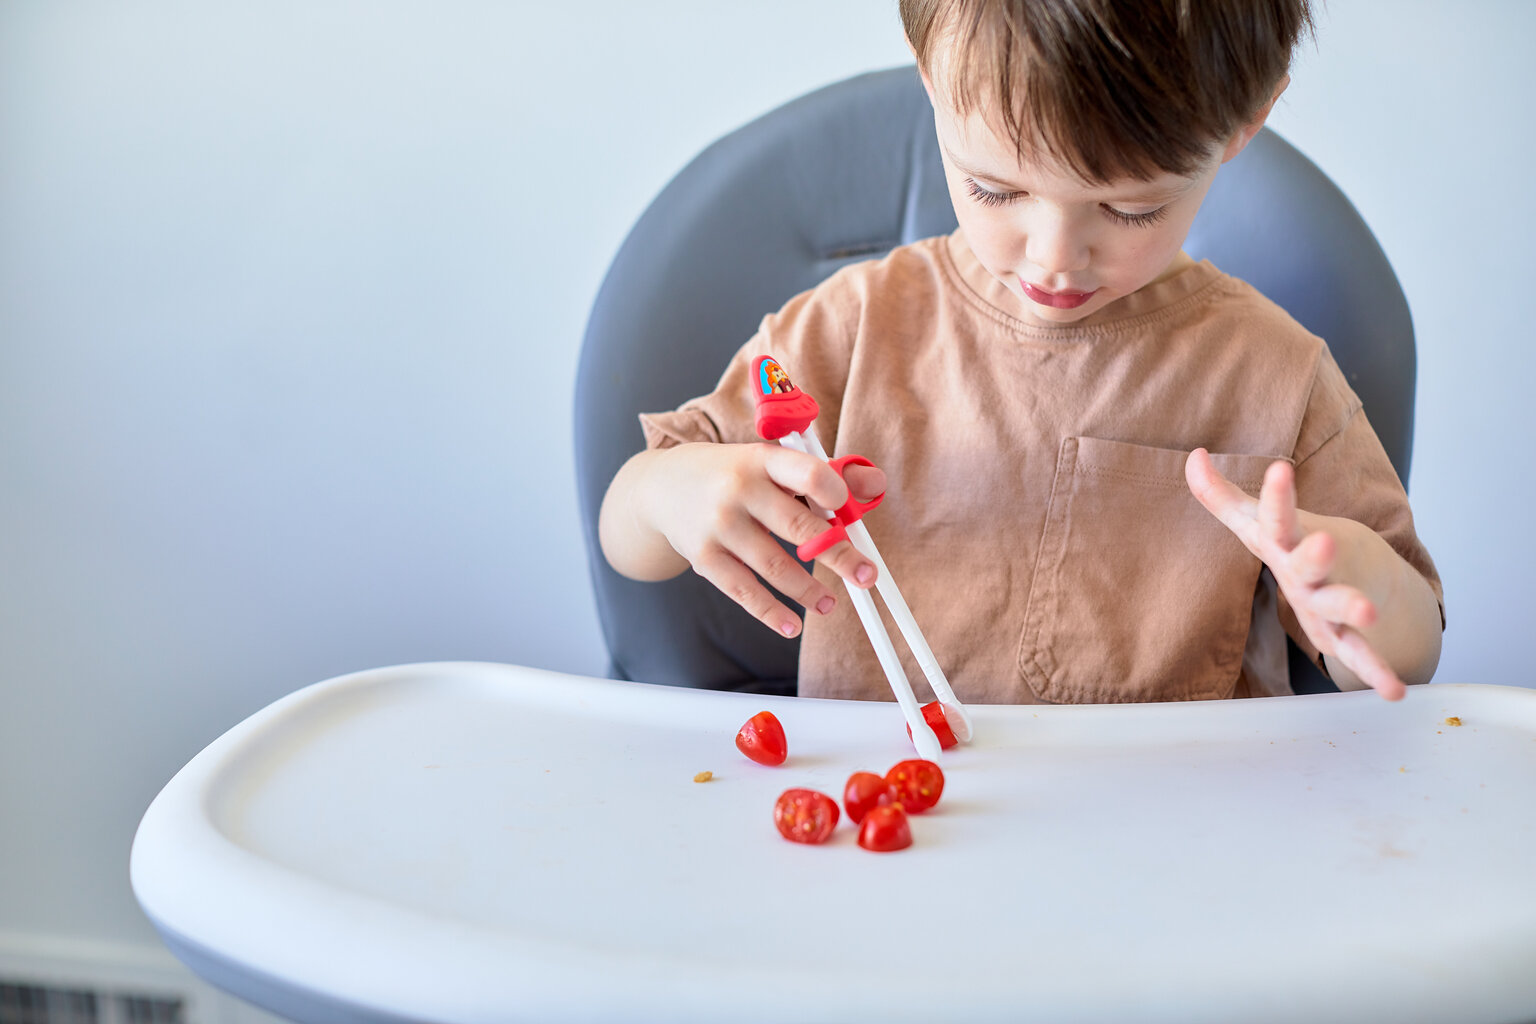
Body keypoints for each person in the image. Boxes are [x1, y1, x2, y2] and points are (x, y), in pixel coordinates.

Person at [598, 0, 1443, 705]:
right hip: (891, 826)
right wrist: (672, 493)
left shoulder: (1278, 376)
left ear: (1241, 125)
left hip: (1171, 844)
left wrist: (1357, 590)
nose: (1053, 257)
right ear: (929, 75)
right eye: (996, 190)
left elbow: (1411, 653)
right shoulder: (851, 329)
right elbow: (627, 532)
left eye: (1129, 210)